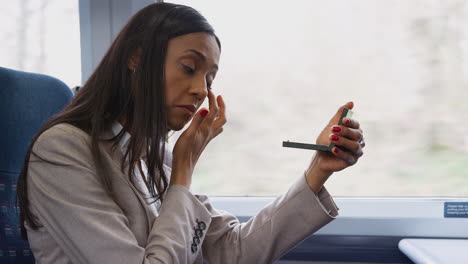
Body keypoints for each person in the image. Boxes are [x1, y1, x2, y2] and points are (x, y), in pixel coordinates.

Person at [16, 2, 365, 263]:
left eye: (210, 80)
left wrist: (317, 171)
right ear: (136, 60)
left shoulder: (155, 157)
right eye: (189, 68)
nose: (201, 90)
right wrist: (183, 174)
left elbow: (232, 249)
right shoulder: (62, 151)